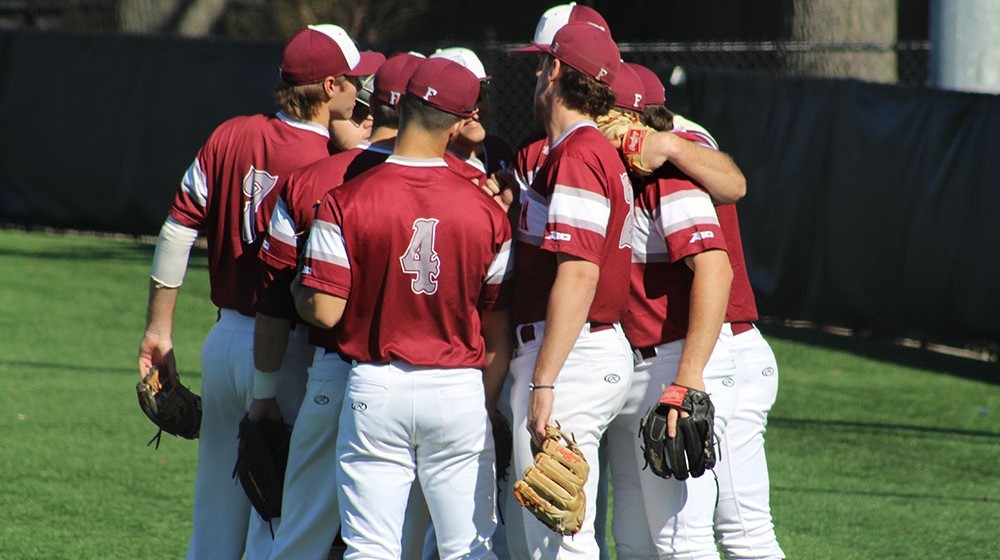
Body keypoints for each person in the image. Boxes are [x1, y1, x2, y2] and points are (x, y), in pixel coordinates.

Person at [136, 24, 380, 560]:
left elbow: (178, 230)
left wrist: (159, 328)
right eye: (354, 80)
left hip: (224, 344)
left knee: (214, 524)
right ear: (333, 86)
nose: (361, 90)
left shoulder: (231, 134)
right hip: (287, 351)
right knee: (278, 522)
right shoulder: (336, 165)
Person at [292, 57, 514, 560]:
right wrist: (485, 402)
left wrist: (296, 292)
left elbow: (324, 311)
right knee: (470, 551)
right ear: (460, 123)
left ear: (399, 104)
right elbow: (497, 324)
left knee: (370, 549)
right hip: (457, 388)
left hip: (376, 385)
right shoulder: (487, 210)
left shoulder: (344, 199)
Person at [255, 50, 424, 560]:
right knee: (405, 541)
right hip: (435, 379)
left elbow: (276, 297)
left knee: (301, 531)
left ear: (369, 106)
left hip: (335, 367)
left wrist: (262, 396)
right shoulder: (469, 186)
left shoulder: (313, 179)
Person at [629, 62, 786, 560]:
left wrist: (671, 144)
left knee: (710, 537)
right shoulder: (670, 145)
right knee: (730, 535)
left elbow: (735, 184)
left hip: (723, 346)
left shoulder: (678, 150)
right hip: (724, 349)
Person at [507, 21, 635, 560]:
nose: (538, 74)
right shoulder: (581, 151)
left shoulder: (579, 155)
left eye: (542, 64)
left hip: (570, 357)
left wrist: (543, 383)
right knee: (536, 540)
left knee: (558, 546)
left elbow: (579, 274)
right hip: (572, 352)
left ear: (556, 71)